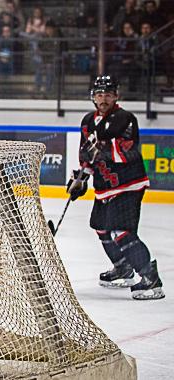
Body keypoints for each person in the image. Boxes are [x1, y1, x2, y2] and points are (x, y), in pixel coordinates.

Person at [67, 75, 164, 300]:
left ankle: (151, 279)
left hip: (128, 184)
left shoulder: (125, 119)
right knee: (101, 227)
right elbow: (87, 158)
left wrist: (100, 150)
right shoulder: (87, 121)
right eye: (100, 94)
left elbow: (127, 151)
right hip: (105, 186)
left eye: (108, 94)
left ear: (116, 96)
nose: (103, 99)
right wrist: (81, 179)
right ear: (93, 96)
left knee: (121, 231)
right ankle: (122, 268)